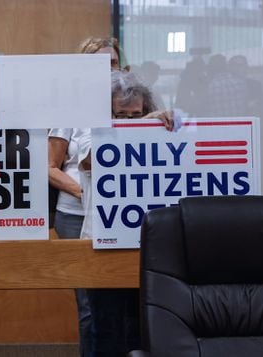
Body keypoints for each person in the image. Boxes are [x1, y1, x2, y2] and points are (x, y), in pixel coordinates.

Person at [78, 71, 174, 357]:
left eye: (137, 114)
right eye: (123, 115)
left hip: (149, 243)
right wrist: (139, 128)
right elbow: (91, 161)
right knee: (105, 327)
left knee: (144, 327)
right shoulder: (89, 128)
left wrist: (167, 124)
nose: (131, 120)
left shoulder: (159, 127)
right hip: (102, 242)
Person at [47, 36, 122, 356]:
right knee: (90, 306)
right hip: (75, 216)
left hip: (121, 216)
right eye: (99, 65)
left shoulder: (130, 107)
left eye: (114, 64)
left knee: (124, 302)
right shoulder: (71, 110)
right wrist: (84, 191)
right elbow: (47, 167)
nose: (108, 71)